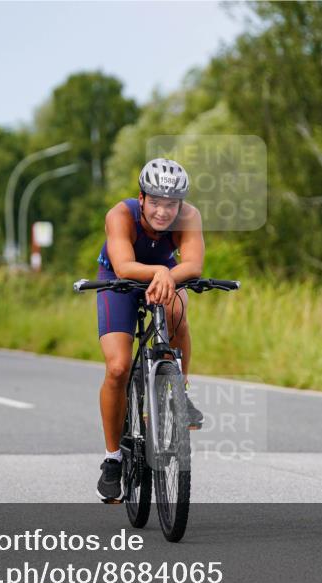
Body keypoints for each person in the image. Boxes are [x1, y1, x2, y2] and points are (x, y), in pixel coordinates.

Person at [95, 158, 205, 502]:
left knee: (177, 311)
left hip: (163, 275)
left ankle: (179, 391)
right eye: (155, 202)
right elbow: (125, 265)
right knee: (118, 367)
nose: (162, 211)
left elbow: (193, 264)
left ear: (181, 204)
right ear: (141, 198)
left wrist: (166, 276)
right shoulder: (120, 215)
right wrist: (162, 271)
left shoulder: (189, 217)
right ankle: (113, 459)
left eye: (171, 204)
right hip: (118, 277)